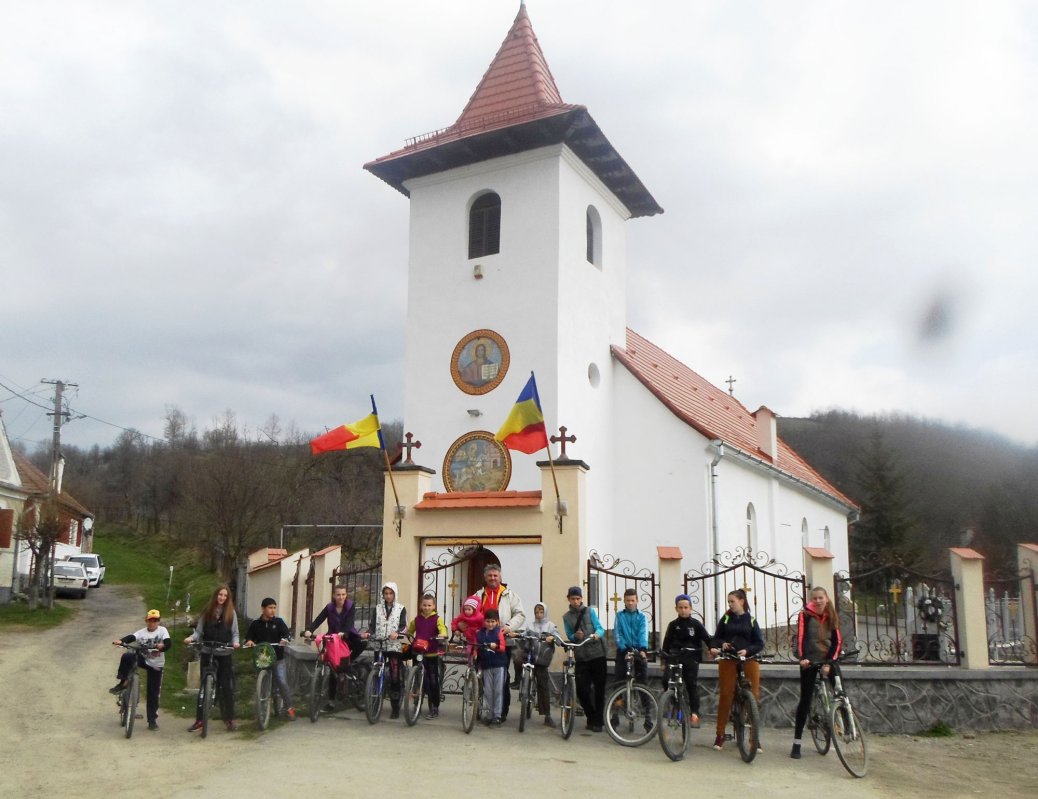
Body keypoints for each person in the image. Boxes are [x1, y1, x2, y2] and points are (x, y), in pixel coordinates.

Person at [790, 586, 842, 759]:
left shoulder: (832, 614)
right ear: (811, 600)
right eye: (815, 598)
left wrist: (829, 662)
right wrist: (803, 658)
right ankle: (797, 742)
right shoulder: (805, 614)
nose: (818, 601)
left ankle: (847, 725)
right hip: (810, 661)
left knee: (841, 691)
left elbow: (837, 641)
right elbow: (801, 637)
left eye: (821, 597)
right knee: (805, 699)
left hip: (828, 658)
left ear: (826, 598)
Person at [708, 589, 764, 751]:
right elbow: (715, 638)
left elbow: (759, 643)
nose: (730, 604)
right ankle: (720, 734)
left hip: (748, 659)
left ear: (741, 601)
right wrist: (721, 644)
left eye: (732, 601)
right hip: (728, 659)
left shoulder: (751, 620)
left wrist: (748, 651)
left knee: (754, 696)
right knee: (726, 694)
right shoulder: (725, 619)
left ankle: (755, 738)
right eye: (729, 602)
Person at [184, 585, 240, 732]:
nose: (222, 598)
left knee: (225, 686)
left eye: (225, 596)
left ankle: (229, 719)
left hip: (224, 653)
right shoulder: (207, 611)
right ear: (216, 595)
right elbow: (198, 632)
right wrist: (191, 638)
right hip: (208, 651)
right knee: (203, 687)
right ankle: (199, 720)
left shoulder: (231, 613)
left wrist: (235, 643)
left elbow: (235, 633)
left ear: (228, 598)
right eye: (220, 595)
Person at [303, 583, 367, 709]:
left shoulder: (350, 606)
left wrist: (344, 633)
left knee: (361, 644)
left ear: (346, 595)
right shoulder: (329, 607)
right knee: (333, 668)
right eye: (338, 595)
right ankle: (331, 702)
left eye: (343, 594)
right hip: (332, 638)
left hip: (347, 637)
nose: (341, 597)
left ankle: (348, 663)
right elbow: (318, 619)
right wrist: (309, 630)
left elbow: (349, 623)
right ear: (334, 595)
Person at [476, 563, 525, 722]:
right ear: (485, 577)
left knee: (502, 677)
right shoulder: (478, 595)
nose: (492, 578)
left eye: (495, 575)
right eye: (490, 575)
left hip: (503, 641)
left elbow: (520, 614)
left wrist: (509, 626)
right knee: (484, 676)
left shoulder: (509, 595)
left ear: (500, 577)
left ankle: (501, 712)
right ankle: (487, 710)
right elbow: (471, 613)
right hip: (483, 641)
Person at [111, 608, 171, 731]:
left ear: (159, 621)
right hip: (143, 660)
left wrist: (163, 646)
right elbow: (132, 636)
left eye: (155, 620)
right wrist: (121, 641)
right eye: (150, 620)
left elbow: (168, 642)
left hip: (156, 665)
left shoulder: (163, 631)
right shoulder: (142, 632)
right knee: (127, 656)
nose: (152, 623)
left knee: (153, 693)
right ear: (146, 621)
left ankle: (152, 721)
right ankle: (123, 682)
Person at [660, 594, 711, 728]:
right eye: (680, 607)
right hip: (675, 657)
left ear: (691, 608)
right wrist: (663, 661)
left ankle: (694, 713)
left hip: (691, 658)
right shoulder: (673, 625)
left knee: (691, 685)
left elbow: (707, 638)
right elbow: (666, 643)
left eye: (686, 607)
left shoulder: (696, 624)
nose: (683, 610)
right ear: (676, 608)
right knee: (666, 680)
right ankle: (674, 704)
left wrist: (713, 648)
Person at [561, 585, 607, 732]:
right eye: (573, 598)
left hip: (597, 654)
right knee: (582, 689)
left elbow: (600, 628)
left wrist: (596, 635)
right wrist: (575, 637)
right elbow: (569, 634)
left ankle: (598, 722)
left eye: (578, 598)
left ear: (582, 599)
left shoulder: (590, 611)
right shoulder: (566, 617)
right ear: (568, 599)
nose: (576, 601)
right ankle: (591, 716)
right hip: (581, 656)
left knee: (599, 689)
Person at [244, 597, 295, 721]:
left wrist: (284, 640)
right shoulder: (256, 624)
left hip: (278, 658)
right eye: (270, 608)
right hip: (262, 659)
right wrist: (250, 641)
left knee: (282, 682)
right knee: (261, 685)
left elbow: (286, 634)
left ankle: (289, 708)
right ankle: (261, 709)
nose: (273, 611)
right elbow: (249, 637)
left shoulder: (279, 622)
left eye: (274, 608)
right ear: (263, 609)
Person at [363, 581, 408, 719]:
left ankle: (395, 707)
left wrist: (398, 633)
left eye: (390, 593)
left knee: (395, 675)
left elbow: (404, 626)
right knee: (376, 672)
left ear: (395, 594)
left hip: (393, 645)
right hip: (380, 643)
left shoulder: (401, 608)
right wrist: (368, 632)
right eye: (386, 593)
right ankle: (375, 702)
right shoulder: (377, 608)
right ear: (382, 594)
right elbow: (372, 625)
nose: (388, 596)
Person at [406, 593, 448, 720]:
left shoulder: (437, 619)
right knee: (418, 680)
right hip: (418, 652)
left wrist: (442, 635)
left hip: (432, 654)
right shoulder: (417, 619)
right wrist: (408, 635)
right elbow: (410, 630)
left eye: (429, 605)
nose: (426, 607)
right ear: (420, 605)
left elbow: (443, 630)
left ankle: (434, 706)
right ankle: (417, 703)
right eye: (424, 605)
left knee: (432, 681)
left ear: (434, 606)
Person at [524, 601, 559, 727]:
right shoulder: (530, 626)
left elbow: (558, 638)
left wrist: (553, 638)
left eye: (541, 612)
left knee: (543, 685)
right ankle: (523, 690)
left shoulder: (551, 626)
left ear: (545, 612)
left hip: (543, 659)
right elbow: (524, 635)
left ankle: (547, 715)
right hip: (531, 657)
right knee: (519, 658)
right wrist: (517, 635)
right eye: (536, 612)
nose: (539, 614)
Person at [476, 609, 508, 727]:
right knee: (488, 691)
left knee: (498, 690)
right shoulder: (480, 633)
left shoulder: (498, 632)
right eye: (488, 621)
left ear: (497, 622)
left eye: (493, 621)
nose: (490, 624)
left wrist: (496, 646)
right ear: (484, 621)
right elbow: (477, 648)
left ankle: (497, 716)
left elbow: (503, 647)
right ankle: (489, 715)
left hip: (499, 665)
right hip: (486, 666)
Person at [613, 588, 649, 684]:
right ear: (624, 601)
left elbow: (643, 634)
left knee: (642, 680)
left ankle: (646, 698)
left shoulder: (642, 616)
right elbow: (617, 634)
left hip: (638, 650)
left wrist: (643, 650)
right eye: (628, 600)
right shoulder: (619, 616)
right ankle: (618, 699)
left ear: (637, 601)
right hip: (623, 650)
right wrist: (625, 650)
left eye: (632, 600)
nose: (630, 603)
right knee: (619, 680)